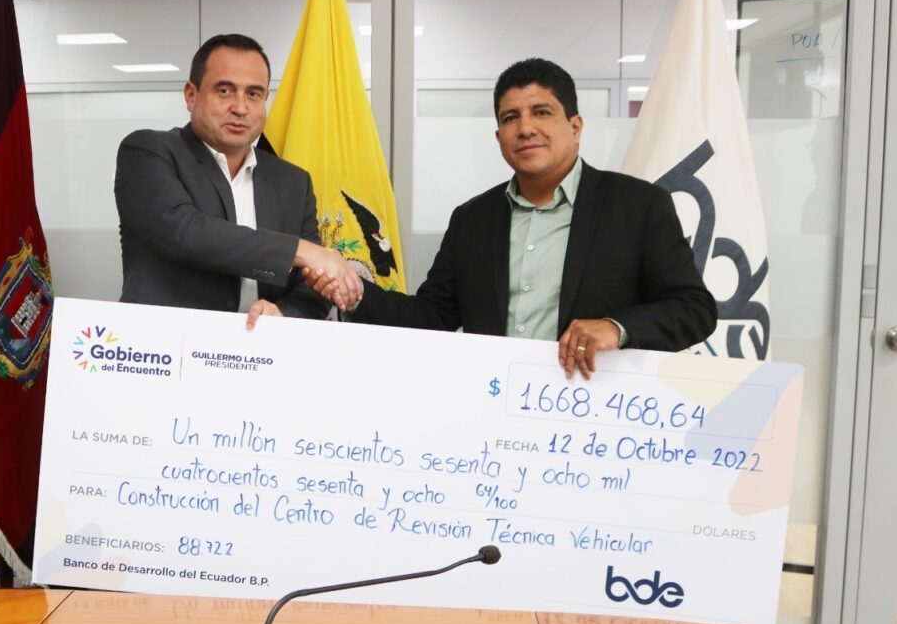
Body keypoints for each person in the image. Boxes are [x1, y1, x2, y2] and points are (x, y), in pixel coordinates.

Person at [314, 58, 715, 379]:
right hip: (494, 414)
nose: (525, 128)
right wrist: (353, 289)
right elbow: (433, 316)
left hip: (592, 417)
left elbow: (694, 309)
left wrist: (615, 327)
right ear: (499, 137)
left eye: (541, 112)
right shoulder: (472, 220)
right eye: (510, 118)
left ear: (575, 126)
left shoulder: (638, 205)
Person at [114, 33, 361, 325]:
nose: (240, 108)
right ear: (191, 95)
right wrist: (301, 251)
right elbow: (186, 233)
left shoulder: (293, 182)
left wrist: (284, 312)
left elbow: (311, 286)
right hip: (164, 345)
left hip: (260, 348)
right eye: (225, 91)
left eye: (254, 94)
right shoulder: (147, 151)